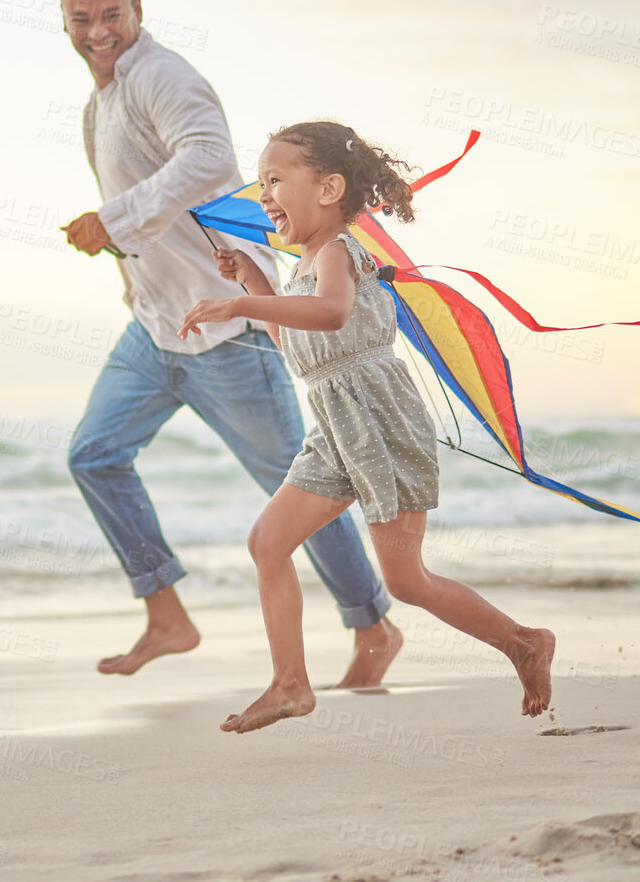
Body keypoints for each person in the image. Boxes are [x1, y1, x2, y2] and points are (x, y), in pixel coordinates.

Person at [55, 0, 404, 685]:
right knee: (93, 455)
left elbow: (211, 157)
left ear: (137, 9)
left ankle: (372, 625)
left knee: (297, 490)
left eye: (110, 14)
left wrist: (112, 219)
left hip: (227, 337)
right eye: (81, 18)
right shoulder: (102, 100)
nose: (97, 30)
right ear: (65, 20)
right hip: (156, 329)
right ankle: (166, 615)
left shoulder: (161, 76)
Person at [179, 120, 555, 732]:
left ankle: (525, 643)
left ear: (328, 189)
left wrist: (242, 304)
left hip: (380, 422)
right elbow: (297, 345)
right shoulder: (301, 266)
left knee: (406, 582)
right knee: (267, 543)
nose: (263, 195)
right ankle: (290, 684)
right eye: (261, 181)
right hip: (334, 430)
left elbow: (330, 314)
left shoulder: (337, 253)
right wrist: (253, 279)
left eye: (275, 180)